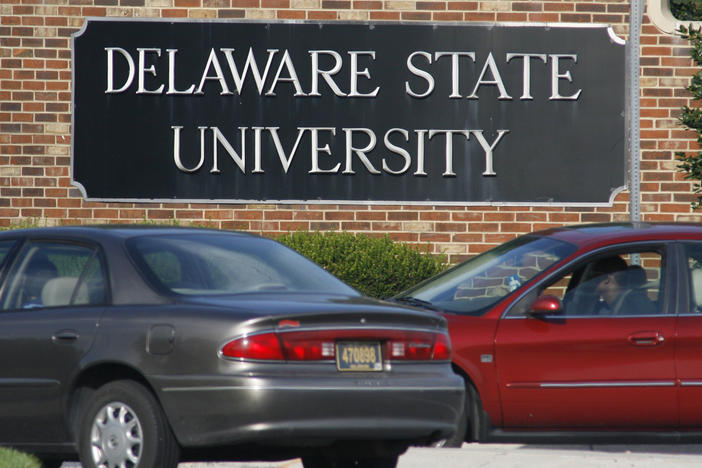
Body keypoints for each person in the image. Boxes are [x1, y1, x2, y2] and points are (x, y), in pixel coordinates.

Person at [590, 256, 657, 316]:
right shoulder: (612, 305)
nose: (589, 279)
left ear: (607, 279)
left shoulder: (634, 307)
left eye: (594, 275)